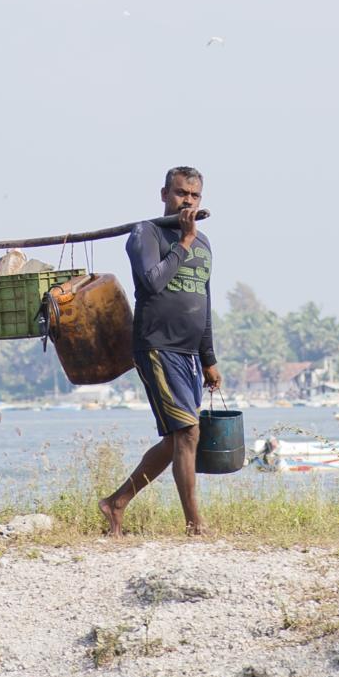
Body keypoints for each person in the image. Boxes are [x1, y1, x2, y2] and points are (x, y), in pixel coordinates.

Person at [100, 164, 220, 537]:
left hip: (189, 354)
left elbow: (203, 301)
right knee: (187, 433)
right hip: (156, 346)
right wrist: (183, 241)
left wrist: (210, 358)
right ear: (164, 194)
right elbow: (152, 283)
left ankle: (116, 502)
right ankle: (194, 523)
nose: (188, 200)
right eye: (181, 193)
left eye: (194, 195)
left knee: (176, 439)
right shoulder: (145, 233)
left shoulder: (204, 244)